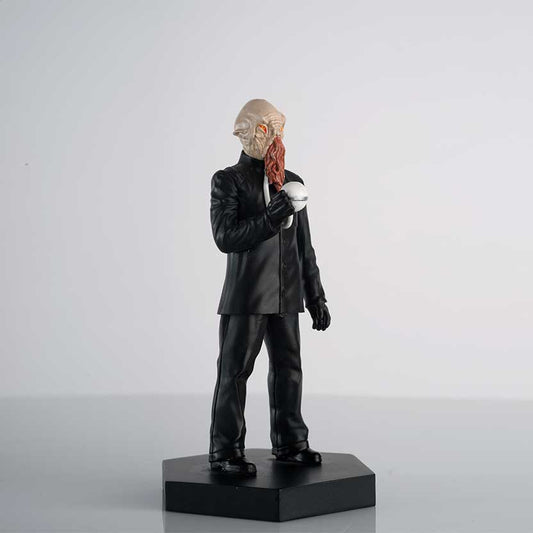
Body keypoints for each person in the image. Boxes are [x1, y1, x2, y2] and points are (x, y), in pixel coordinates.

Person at [209, 99, 331, 475]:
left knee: (289, 369)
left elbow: (303, 246)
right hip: (247, 296)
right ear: (246, 133)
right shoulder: (228, 180)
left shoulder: (292, 182)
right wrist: (271, 216)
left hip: (287, 295)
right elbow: (226, 237)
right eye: (266, 128)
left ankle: (291, 442)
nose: (275, 135)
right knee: (234, 373)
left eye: (278, 128)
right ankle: (226, 450)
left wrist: (316, 295)